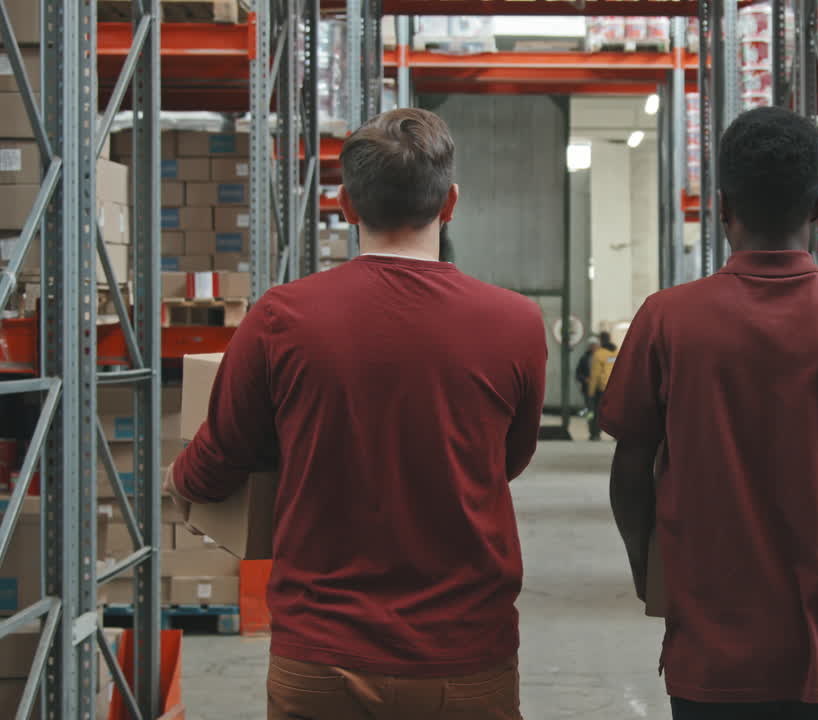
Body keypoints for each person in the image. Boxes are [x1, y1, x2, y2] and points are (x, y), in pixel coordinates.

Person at [165, 108, 546, 720]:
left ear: (344, 205)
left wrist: (180, 480)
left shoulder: (281, 317)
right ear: (450, 204)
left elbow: (222, 454)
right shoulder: (516, 322)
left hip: (323, 655)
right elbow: (509, 460)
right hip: (466, 655)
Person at [600, 107, 818, 720]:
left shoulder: (666, 321)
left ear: (723, 205)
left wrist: (653, 577)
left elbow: (628, 480)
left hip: (711, 653)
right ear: (817, 207)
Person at [587, 331, 619, 441]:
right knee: (615, 411)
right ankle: (617, 434)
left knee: (597, 411)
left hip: (602, 388)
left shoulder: (599, 354)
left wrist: (591, 392)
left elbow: (595, 374)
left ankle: (595, 434)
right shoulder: (617, 353)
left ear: (600, 340)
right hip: (616, 387)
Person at [576, 338, 600, 416]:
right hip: (587, 388)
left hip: (599, 388)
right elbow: (578, 374)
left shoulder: (602, 357)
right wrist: (585, 379)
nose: (593, 347)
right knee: (590, 409)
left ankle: (596, 425)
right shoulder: (584, 358)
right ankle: (591, 424)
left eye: (595, 345)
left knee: (598, 408)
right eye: (592, 345)